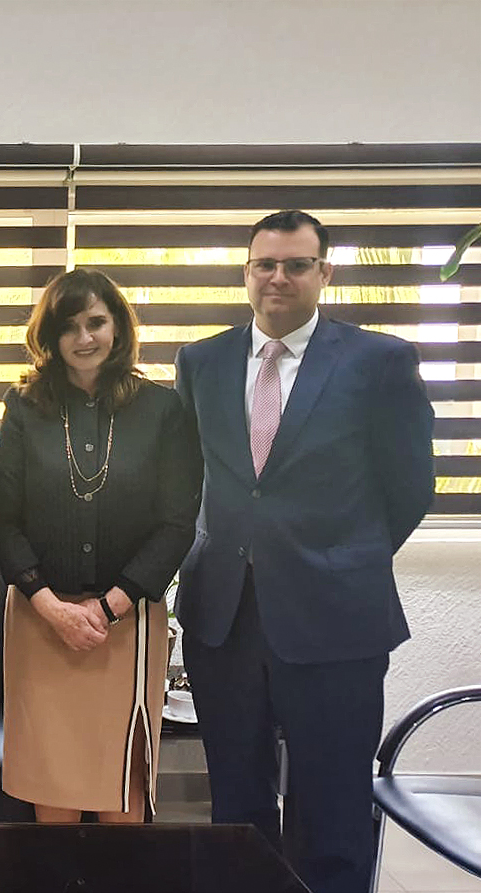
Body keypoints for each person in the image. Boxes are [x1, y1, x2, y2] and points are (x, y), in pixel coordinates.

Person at [174, 210, 435, 893]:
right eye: (265, 264)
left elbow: (408, 485)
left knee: (330, 806)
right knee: (235, 803)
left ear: (324, 272)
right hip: (222, 616)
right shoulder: (200, 361)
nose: (278, 278)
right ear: (245, 273)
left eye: (295, 265)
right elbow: (184, 478)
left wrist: (340, 558)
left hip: (335, 619)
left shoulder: (377, 360)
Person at [0, 268, 201, 824]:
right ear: (49, 337)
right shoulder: (24, 408)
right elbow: (2, 519)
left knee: (123, 797)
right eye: (69, 326)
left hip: (128, 624)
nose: (84, 338)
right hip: (41, 619)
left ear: (118, 327)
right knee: (51, 786)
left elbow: (177, 523)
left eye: (96, 322)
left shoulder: (162, 410)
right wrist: (49, 605)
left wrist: (110, 606)